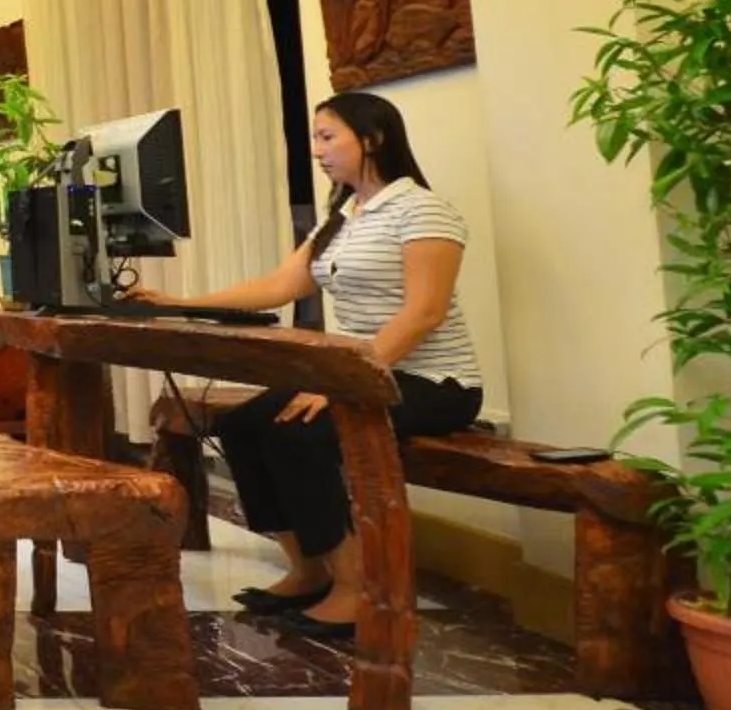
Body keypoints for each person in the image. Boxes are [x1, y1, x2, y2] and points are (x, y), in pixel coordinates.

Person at [129, 91, 484, 642]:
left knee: (300, 431)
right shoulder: (342, 217)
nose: (317, 150)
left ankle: (356, 585)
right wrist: (181, 303)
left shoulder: (423, 209)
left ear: (373, 139)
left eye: (327, 137)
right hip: (362, 376)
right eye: (315, 138)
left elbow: (425, 313)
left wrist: (348, 384)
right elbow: (281, 285)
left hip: (435, 383)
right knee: (242, 426)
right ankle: (308, 568)